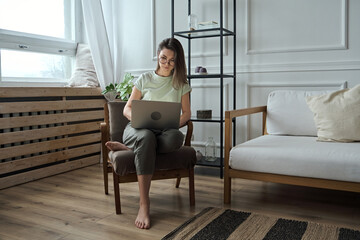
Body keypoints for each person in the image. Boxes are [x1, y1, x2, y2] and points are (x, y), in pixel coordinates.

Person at [105, 38, 191, 229]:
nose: (166, 63)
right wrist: (137, 119)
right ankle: (144, 204)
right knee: (146, 137)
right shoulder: (145, 79)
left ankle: (131, 148)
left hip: (165, 133)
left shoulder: (181, 83)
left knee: (176, 137)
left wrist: (171, 123)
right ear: (158, 56)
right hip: (139, 130)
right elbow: (127, 109)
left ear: (178, 61)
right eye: (163, 58)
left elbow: (187, 114)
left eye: (171, 60)